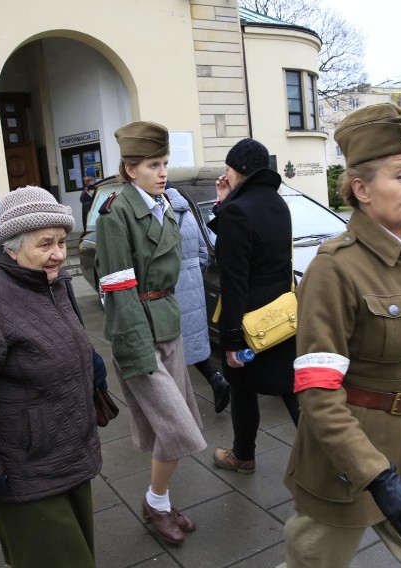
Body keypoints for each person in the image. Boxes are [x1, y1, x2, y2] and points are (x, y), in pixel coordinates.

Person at [280, 103, 401, 568]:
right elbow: (318, 393)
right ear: (361, 189)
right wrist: (378, 477)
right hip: (345, 454)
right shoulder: (334, 268)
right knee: (314, 560)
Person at [0, 185, 105, 568]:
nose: (59, 254)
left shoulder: (51, 284)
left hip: (70, 455)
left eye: (63, 242)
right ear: (11, 246)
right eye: (45, 244)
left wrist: (88, 363)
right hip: (24, 472)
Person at [95, 121, 206, 545]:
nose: (163, 172)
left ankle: (157, 502)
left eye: (164, 164)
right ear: (129, 170)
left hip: (168, 324)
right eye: (153, 165)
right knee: (179, 429)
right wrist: (136, 350)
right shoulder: (116, 214)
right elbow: (119, 290)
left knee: (171, 428)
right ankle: (155, 501)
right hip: (137, 330)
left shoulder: (165, 205)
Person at [207, 138, 299, 475]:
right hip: (281, 317)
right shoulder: (278, 203)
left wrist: (231, 340)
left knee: (243, 387)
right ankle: (328, 460)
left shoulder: (238, 211)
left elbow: (233, 281)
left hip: (248, 324)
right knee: (291, 387)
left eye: (229, 168)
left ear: (241, 169)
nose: (226, 174)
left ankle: (243, 455)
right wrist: (224, 203)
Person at [165, 183, 230, 413]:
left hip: (171, 288)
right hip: (193, 286)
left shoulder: (160, 213)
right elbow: (203, 252)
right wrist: (191, 274)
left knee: (171, 346)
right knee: (191, 340)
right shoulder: (189, 212)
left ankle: (178, 405)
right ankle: (215, 379)